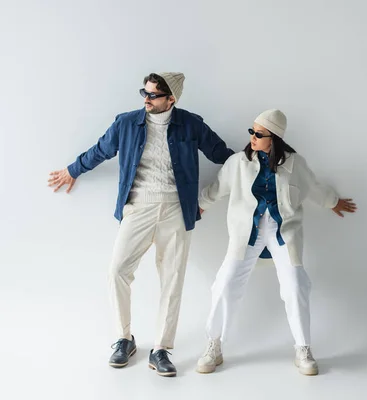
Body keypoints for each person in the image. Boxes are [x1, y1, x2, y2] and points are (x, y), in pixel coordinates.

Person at [47, 72, 234, 377]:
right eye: (144, 93)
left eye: (153, 95)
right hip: (138, 208)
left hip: (176, 209)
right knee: (117, 270)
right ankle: (124, 339)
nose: (146, 99)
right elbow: (100, 150)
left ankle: (161, 349)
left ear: (171, 99)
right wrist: (73, 170)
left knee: (172, 280)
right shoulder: (126, 122)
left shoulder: (191, 124)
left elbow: (222, 155)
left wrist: (253, 164)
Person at [195, 109, 357, 376]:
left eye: (259, 134)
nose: (252, 138)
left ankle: (303, 348)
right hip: (248, 231)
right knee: (225, 283)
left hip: (283, 231)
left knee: (296, 284)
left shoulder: (295, 164)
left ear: (275, 138)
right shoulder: (237, 163)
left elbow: (313, 187)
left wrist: (333, 202)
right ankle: (214, 344)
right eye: (252, 131)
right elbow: (218, 188)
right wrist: (200, 206)